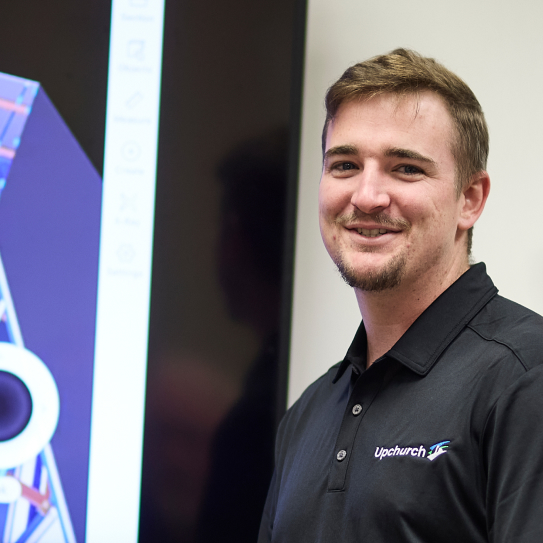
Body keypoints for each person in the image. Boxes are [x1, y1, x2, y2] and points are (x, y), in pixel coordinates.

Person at [258, 48, 543, 543]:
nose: (367, 196)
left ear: (469, 199)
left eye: (406, 168)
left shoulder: (525, 378)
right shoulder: (307, 415)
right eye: (345, 164)